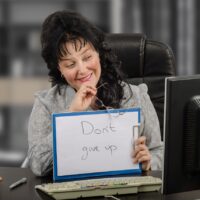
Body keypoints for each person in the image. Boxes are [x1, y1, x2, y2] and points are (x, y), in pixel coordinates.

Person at [28, 10, 163, 176]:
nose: (83, 70)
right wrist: (71, 115)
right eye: (70, 64)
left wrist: (149, 162)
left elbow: (158, 151)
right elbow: (37, 165)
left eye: (87, 58)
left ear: (99, 53)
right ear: (59, 69)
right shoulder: (46, 103)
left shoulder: (136, 95)